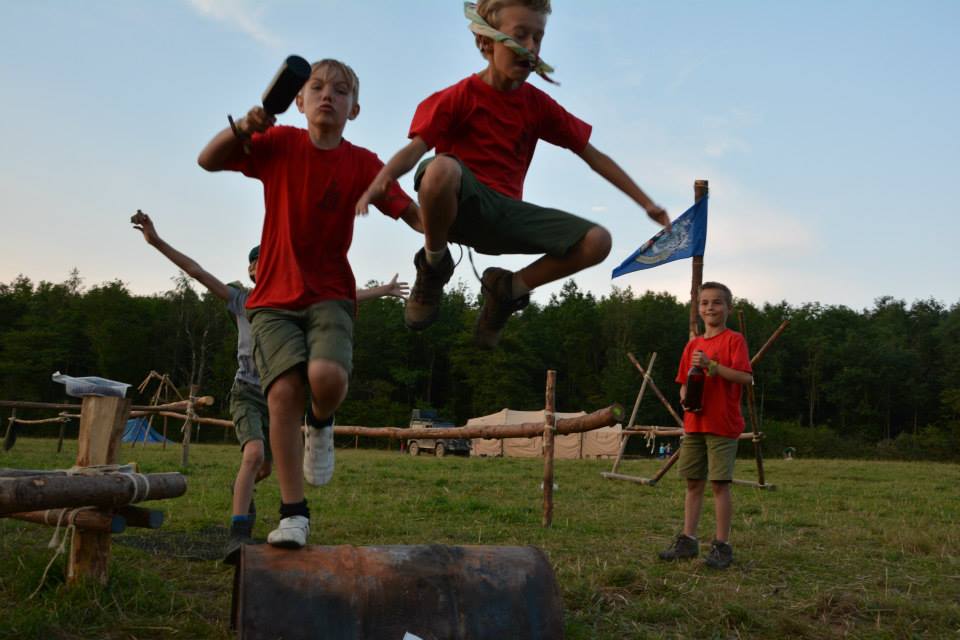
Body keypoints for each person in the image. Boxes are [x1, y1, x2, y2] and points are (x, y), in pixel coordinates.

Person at [197, 58, 421, 550]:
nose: (327, 96)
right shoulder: (278, 144)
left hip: (330, 294)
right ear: (297, 101)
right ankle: (294, 514)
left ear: (354, 109)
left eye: (340, 91)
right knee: (281, 395)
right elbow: (208, 160)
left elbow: (408, 210)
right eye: (316, 87)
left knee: (327, 378)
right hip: (272, 298)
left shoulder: (363, 162)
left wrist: (445, 224)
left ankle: (321, 422)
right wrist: (244, 128)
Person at [356, 0, 670, 349]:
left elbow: (594, 157)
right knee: (440, 167)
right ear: (486, 43)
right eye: (521, 36)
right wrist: (383, 179)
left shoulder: (537, 105)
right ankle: (434, 262)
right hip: (459, 207)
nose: (531, 47)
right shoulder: (458, 97)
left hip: (505, 216)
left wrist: (646, 203)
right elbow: (416, 149)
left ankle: (508, 290)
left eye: (538, 38)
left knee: (598, 241)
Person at [130, 211, 408, 561]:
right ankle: (238, 535)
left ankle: (243, 491)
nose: (272, 265)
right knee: (255, 455)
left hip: (284, 400)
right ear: (251, 270)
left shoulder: (296, 299)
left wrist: (381, 290)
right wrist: (155, 241)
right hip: (248, 392)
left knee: (262, 468)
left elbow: (339, 294)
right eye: (264, 261)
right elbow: (196, 271)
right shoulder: (241, 299)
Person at [658, 282, 753, 569]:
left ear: (728, 308)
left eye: (717, 303)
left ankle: (722, 545)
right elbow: (683, 384)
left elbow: (745, 377)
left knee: (719, 484)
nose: (710, 308)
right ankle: (688, 540)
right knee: (693, 482)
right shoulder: (693, 344)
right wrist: (685, 394)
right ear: (698, 309)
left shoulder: (734, 340)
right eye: (705, 303)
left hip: (722, 423)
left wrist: (713, 367)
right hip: (695, 424)